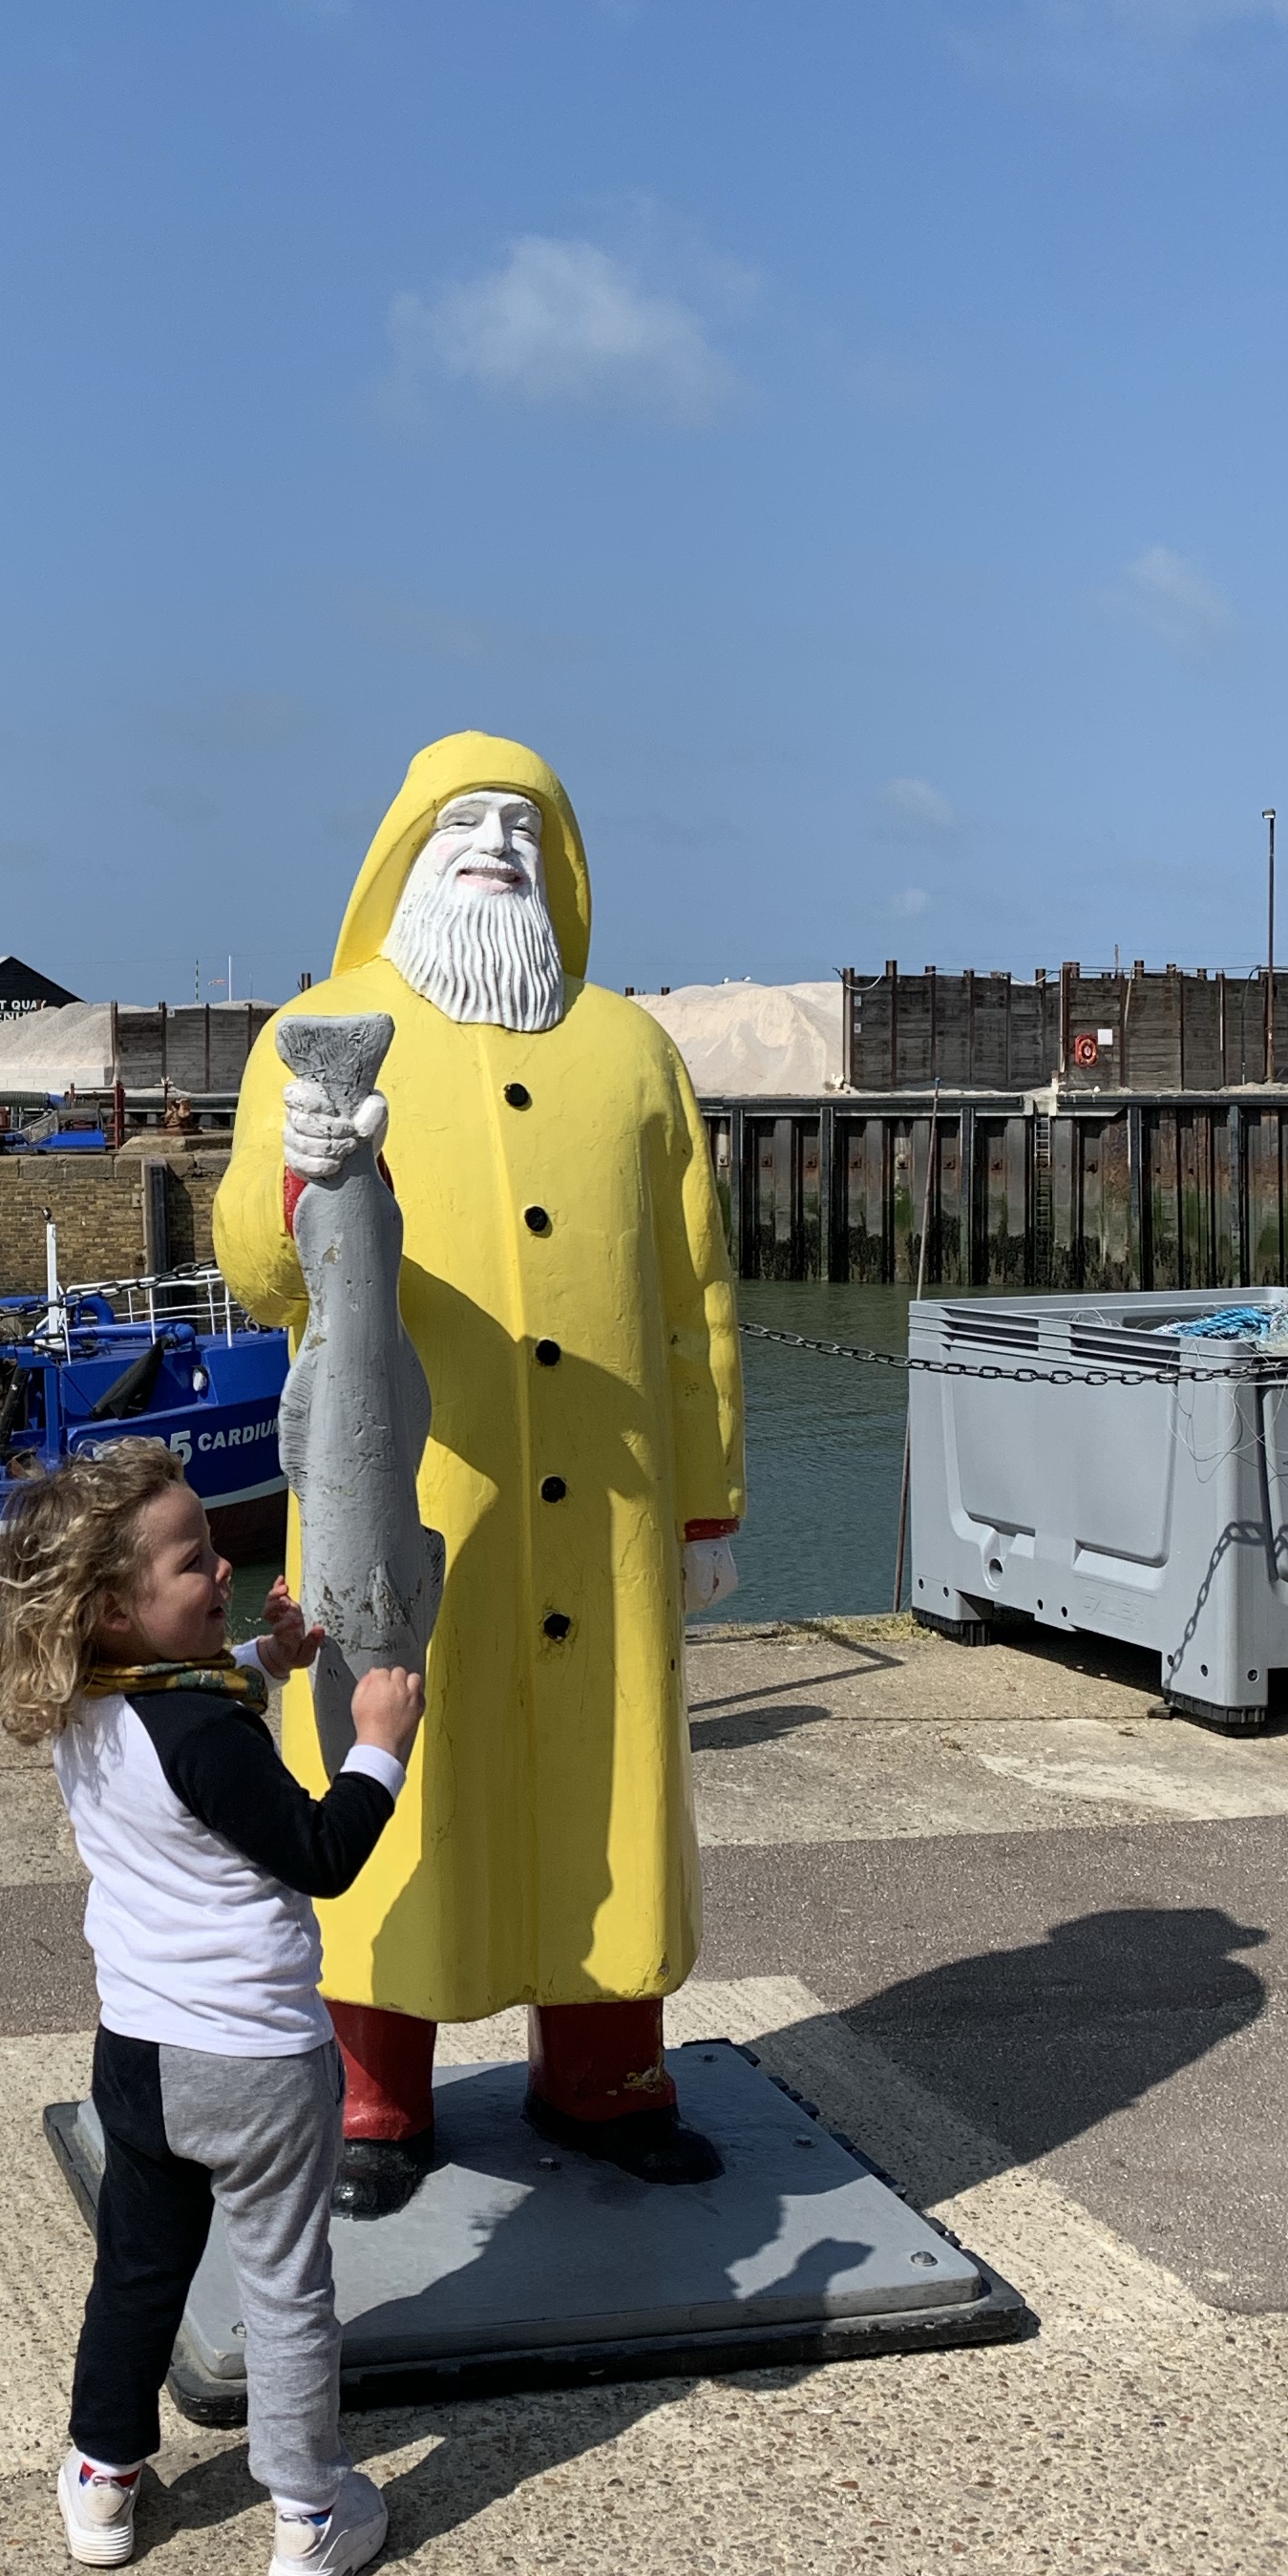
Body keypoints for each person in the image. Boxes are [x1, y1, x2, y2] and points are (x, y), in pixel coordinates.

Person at [215, 732, 745, 2212]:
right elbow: (259, 1274)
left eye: (526, 820)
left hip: (615, 1513)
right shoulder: (312, 1035)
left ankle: (609, 2070)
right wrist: (300, 1172)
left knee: (608, 1779)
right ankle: (375, 2093)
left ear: (561, 859)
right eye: (466, 817)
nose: (497, 840)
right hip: (406, 1493)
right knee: (399, 1767)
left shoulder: (634, 1051)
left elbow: (698, 1292)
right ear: (406, 849)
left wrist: (707, 1498)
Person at [0, 1439, 425, 2576]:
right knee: (284, 2286)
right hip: (256, 2065)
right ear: (117, 1610)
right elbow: (323, 1853)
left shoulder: (90, 1701)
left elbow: (188, 1701)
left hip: (137, 2058)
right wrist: (378, 1741)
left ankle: (102, 2479)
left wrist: (263, 1657)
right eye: (194, 1562)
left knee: (138, 2268)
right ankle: (310, 2517)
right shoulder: (209, 1741)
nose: (223, 1566)